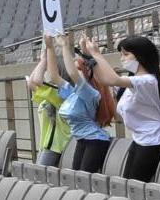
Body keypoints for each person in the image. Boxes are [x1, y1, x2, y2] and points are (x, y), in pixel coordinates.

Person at [83, 35, 160, 182]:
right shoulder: (132, 83)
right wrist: (88, 55)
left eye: (126, 54)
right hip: (139, 139)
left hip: (153, 141)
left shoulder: (147, 81)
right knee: (127, 185)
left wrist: (96, 54)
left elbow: (112, 79)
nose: (122, 58)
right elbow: (103, 80)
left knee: (135, 188)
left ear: (140, 56)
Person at [45, 36, 113, 174]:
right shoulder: (72, 92)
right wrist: (50, 47)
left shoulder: (90, 92)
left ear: (87, 72)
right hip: (81, 139)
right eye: (76, 69)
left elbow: (72, 73)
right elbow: (54, 76)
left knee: (84, 180)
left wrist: (65, 45)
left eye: (79, 69)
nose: (76, 72)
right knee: (76, 178)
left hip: (95, 140)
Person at [23, 42, 69, 169]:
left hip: (57, 145)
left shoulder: (61, 94)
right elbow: (32, 83)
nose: (46, 73)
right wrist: (42, 61)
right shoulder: (50, 95)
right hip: (46, 144)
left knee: (39, 176)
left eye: (48, 70)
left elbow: (35, 81)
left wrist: (44, 60)